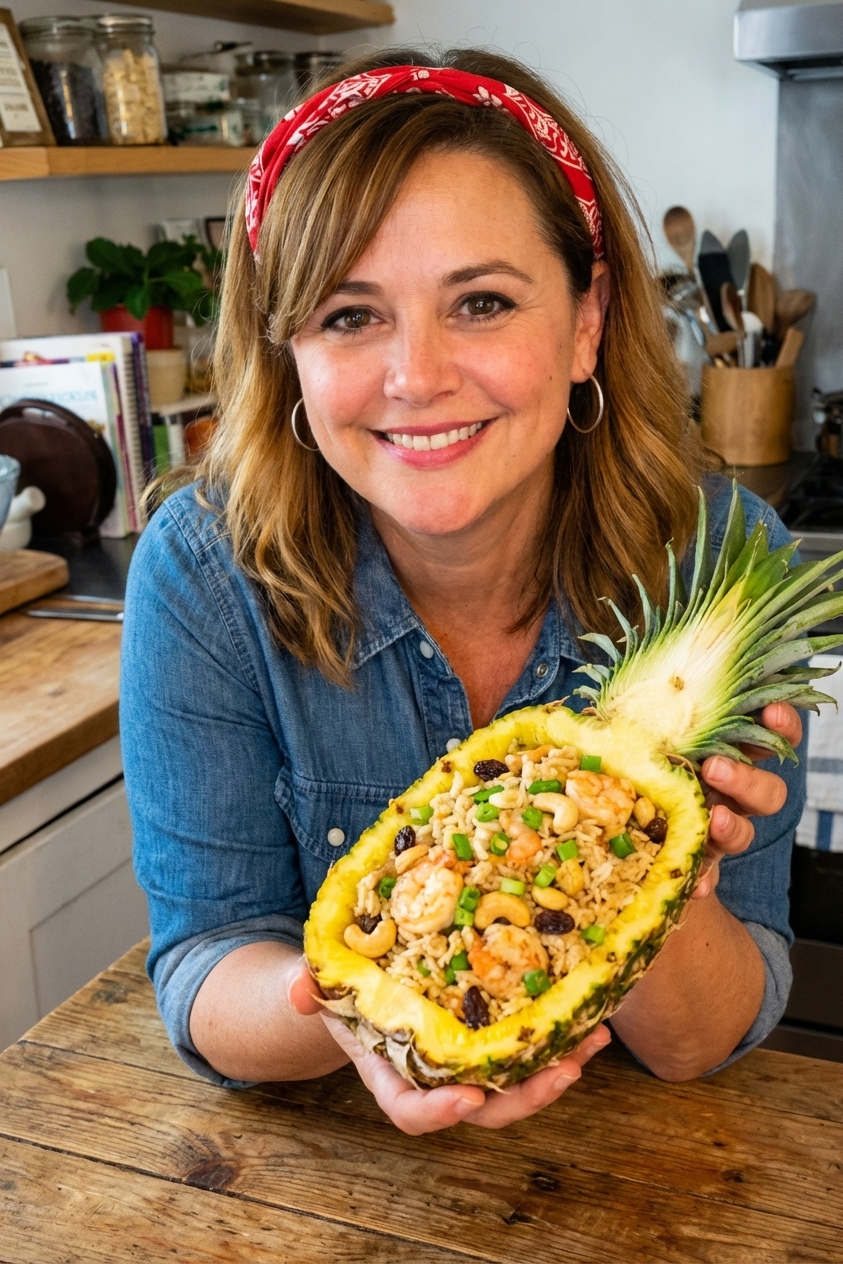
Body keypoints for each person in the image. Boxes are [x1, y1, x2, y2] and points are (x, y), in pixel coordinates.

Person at [122, 48, 803, 1137]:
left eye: (481, 301)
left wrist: (650, 872)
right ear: (284, 346)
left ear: (585, 323)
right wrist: (364, 1011)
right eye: (350, 315)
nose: (416, 376)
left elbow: (701, 1043)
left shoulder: (723, 570)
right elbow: (204, 971)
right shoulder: (205, 574)